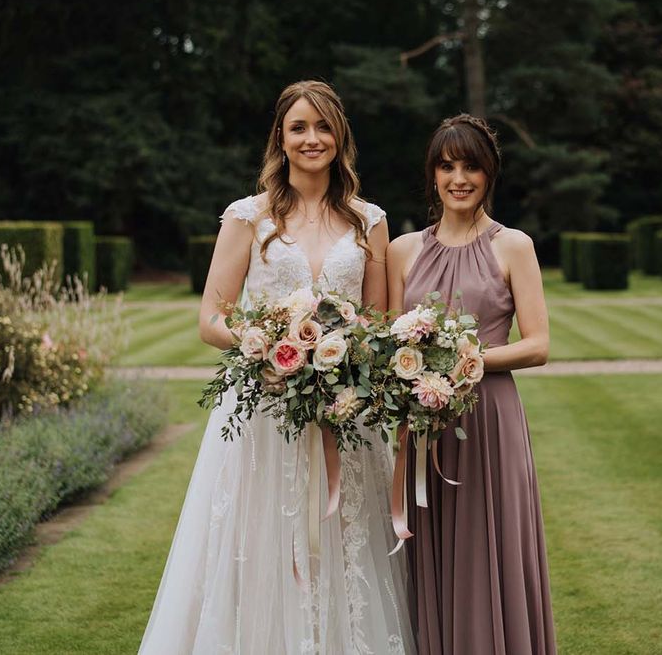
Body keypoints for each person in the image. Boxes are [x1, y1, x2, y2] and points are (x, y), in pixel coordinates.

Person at [139, 80, 414, 654]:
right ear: (281, 139)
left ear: (340, 137)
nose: (311, 139)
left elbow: (381, 322)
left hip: (345, 412)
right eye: (298, 127)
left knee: (345, 541)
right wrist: (261, 345)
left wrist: (348, 363)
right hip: (263, 411)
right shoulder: (247, 218)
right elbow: (211, 318)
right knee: (260, 536)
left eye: (322, 127)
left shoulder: (370, 221)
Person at [387, 114, 557, 654]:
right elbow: (392, 346)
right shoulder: (402, 250)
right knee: (432, 549)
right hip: (424, 425)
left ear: (490, 174)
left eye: (471, 167)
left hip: (489, 419)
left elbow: (538, 344)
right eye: (447, 166)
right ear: (433, 175)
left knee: (493, 545)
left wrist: (466, 360)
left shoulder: (514, 246)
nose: (459, 178)